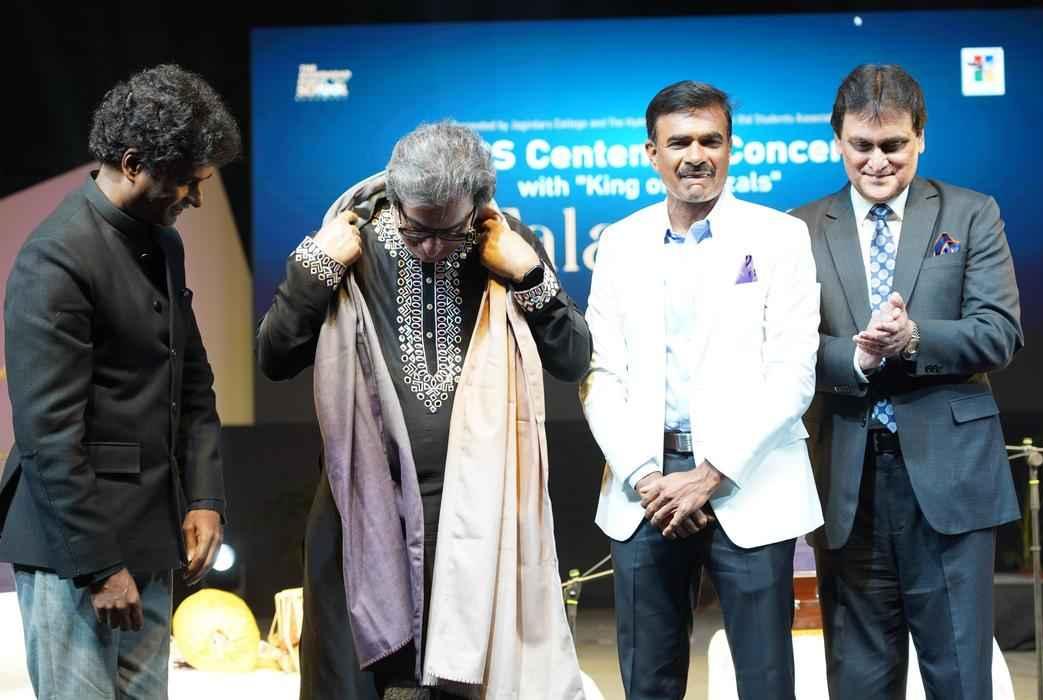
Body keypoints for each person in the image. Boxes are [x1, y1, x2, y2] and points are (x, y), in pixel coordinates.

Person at [257, 121, 590, 699]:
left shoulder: (503, 241)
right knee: (358, 682)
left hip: (478, 517)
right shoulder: (348, 241)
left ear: (477, 206)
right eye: (417, 229)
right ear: (395, 198)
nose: (432, 246)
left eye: (449, 232)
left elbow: (573, 358)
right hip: (362, 510)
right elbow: (274, 358)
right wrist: (315, 271)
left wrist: (529, 275)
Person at [0, 64, 240, 698]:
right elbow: (48, 436)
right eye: (188, 182)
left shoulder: (163, 244)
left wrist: (205, 497)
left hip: (151, 539)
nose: (196, 200)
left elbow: (192, 382)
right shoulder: (56, 257)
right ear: (134, 164)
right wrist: (100, 566)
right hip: (75, 554)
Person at [580, 80, 823, 700]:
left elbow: (792, 373)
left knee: (767, 684)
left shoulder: (780, 237)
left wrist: (710, 475)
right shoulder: (620, 243)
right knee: (649, 684)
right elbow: (600, 374)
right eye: (679, 142)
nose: (696, 155)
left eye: (711, 141)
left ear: (730, 147)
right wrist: (645, 477)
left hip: (750, 482)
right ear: (652, 152)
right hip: (646, 494)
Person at [791, 64, 1023, 699]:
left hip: (952, 480)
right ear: (837, 139)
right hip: (846, 480)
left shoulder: (971, 214)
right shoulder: (798, 228)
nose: (877, 161)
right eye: (861, 145)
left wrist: (914, 337)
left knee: (960, 679)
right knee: (859, 681)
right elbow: (782, 350)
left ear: (921, 136)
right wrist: (858, 357)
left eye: (893, 144)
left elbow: (999, 332)